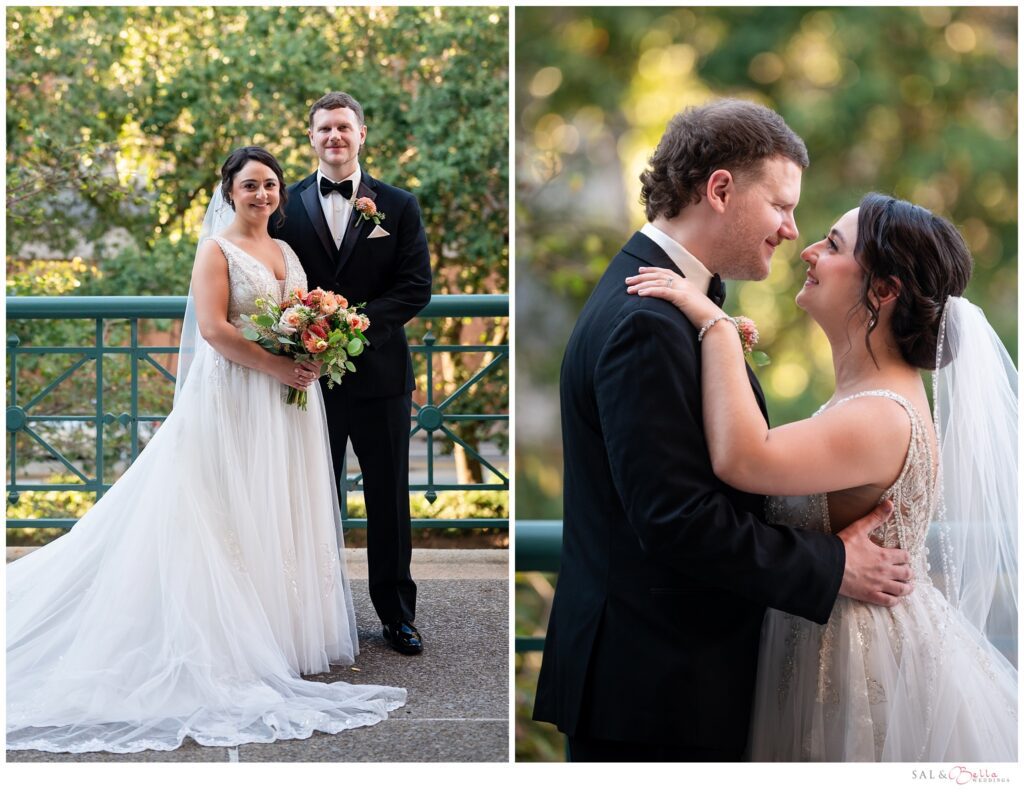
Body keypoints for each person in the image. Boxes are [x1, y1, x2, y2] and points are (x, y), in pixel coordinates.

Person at [532, 99, 912, 762]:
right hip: (656, 694)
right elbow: (678, 518)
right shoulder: (647, 322)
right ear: (720, 189)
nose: (793, 231)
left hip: (664, 684)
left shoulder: (668, 300)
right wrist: (832, 566)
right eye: (782, 206)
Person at [6, 146, 406, 754]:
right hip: (238, 395)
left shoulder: (289, 250)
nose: (264, 195)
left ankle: (276, 631)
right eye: (251, 186)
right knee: (224, 506)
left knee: (275, 507)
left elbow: (302, 312)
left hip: (287, 404)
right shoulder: (215, 250)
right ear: (230, 189)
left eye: (271, 185)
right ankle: (224, 635)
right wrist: (279, 364)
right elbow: (216, 330)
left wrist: (315, 349)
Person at [627, 192, 1017, 761]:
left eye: (833, 245)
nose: (807, 250)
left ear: (883, 291)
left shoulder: (881, 414)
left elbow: (744, 459)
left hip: (858, 668)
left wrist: (713, 324)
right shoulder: (867, 398)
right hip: (820, 641)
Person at [273, 92, 432, 656]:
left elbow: (416, 287)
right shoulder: (282, 205)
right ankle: (314, 616)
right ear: (310, 137)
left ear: (361, 134)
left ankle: (397, 614)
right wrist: (302, 335)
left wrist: (354, 326)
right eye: (324, 129)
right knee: (311, 496)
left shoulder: (398, 204)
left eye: (344, 127)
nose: (334, 137)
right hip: (308, 378)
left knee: (389, 499)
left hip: (382, 377)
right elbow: (274, 286)